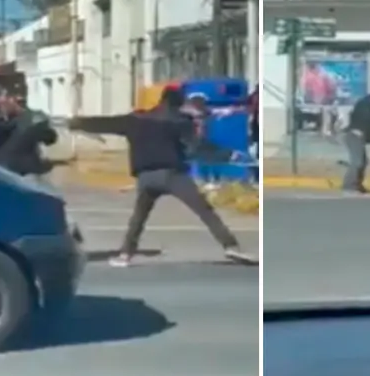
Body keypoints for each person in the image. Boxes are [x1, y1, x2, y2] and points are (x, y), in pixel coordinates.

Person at [68, 88, 254, 267]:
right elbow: (197, 147)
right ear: (178, 103)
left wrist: (77, 123)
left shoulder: (135, 119)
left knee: (139, 217)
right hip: (173, 176)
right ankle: (230, 246)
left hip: (146, 178)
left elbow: (106, 123)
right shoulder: (179, 122)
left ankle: (125, 254)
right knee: (204, 210)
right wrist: (229, 155)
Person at [342, 93, 370, 194]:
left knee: (362, 161)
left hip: (355, 136)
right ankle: (349, 185)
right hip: (355, 136)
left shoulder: (363, 107)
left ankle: (356, 184)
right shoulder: (368, 109)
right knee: (357, 162)